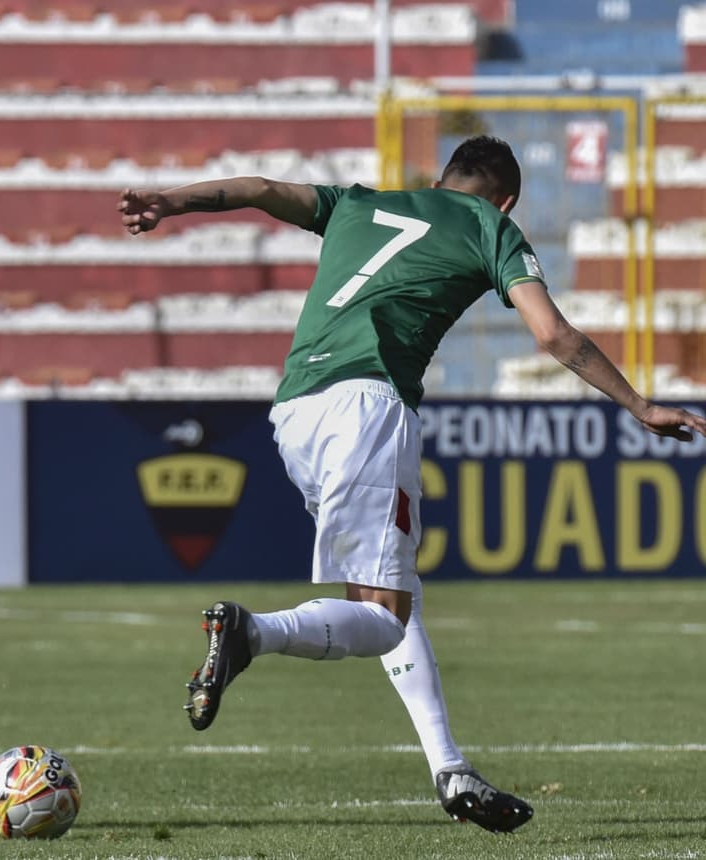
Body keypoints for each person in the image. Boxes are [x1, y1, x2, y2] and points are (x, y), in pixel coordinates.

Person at [117, 136, 706, 833]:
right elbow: (553, 336)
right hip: (368, 406)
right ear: (506, 198)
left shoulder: (361, 203)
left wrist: (170, 201)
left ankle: (450, 769)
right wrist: (638, 405)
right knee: (384, 617)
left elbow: (263, 188)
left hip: (296, 411)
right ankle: (252, 633)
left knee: (394, 596)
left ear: (440, 178)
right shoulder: (492, 226)